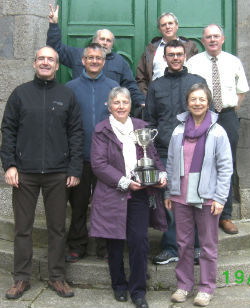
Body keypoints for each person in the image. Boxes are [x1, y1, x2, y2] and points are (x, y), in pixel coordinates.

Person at [0, 46, 84, 299]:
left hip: (59, 173)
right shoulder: (20, 94)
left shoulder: (67, 95)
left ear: (58, 66)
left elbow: (76, 134)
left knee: (58, 228)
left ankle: (57, 277)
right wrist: (10, 165)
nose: (46, 62)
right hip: (24, 174)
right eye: (42, 59)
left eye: (51, 59)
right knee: (23, 229)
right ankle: (21, 278)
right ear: (34, 63)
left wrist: (74, 168)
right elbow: (9, 131)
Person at [90, 87, 167, 308]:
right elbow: (98, 164)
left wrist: (160, 174)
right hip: (113, 193)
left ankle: (138, 290)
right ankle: (119, 285)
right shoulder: (101, 130)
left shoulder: (141, 127)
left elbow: (152, 156)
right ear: (109, 106)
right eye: (116, 102)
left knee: (139, 242)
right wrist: (124, 182)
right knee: (114, 242)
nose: (121, 106)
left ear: (130, 105)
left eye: (125, 102)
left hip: (140, 194)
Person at [165, 83, 233, 307]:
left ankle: (206, 288)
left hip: (207, 197)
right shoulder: (178, 130)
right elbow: (172, 162)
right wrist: (169, 191)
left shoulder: (217, 131)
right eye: (193, 99)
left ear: (208, 102)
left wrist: (220, 198)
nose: (197, 103)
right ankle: (184, 285)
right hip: (181, 196)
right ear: (187, 102)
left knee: (207, 245)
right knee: (183, 243)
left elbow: (225, 167)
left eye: (201, 99)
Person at [145, 39, 207, 266]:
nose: (175, 58)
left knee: (195, 198)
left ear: (185, 56)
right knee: (169, 200)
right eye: (171, 54)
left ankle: (197, 247)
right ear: (164, 57)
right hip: (163, 151)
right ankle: (171, 247)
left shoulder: (197, 82)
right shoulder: (156, 86)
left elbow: (205, 114)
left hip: (193, 149)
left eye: (179, 54)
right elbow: (149, 121)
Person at [187, 24, 249, 235]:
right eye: (208, 37)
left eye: (216, 36)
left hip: (227, 116)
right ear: (202, 41)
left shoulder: (233, 61)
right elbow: (188, 92)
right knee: (199, 160)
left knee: (227, 163)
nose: (212, 39)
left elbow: (241, 91)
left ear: (222, 39)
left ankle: (226, 215)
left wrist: (228, 110)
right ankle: (199, 212)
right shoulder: (193, 62)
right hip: (201, 116)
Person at [64, 42, 118, 262]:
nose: (94, 61)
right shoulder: (70, 88)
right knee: (78, 205)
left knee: (105, 204)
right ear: (83, 61)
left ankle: (104, 246)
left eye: (99, 58)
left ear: (104, 61)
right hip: (80, 158)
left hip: (107, 160)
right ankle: (77, 244)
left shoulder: (114, 87)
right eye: (90, 58)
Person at [46, 4, 145, 110]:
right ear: (95, 40)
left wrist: (141, 101)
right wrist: (54, 25)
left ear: (112, 44)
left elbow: (130, 84)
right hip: (81, 109)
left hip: (108, 112)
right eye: (102, 39)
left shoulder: (120, 62)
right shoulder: (78, 55)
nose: (105, 43)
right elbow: (55, 49)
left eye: (108, 40)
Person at [136, 12, 198, 96]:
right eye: (163, 25)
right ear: (159, 29)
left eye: (170, 23)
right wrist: (147, 97)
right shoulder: (151, 49)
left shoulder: (190, 47)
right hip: (158, 97)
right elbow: (141, 77)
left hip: (185, 97)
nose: (167, 27)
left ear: (177, 26)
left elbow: (197, 73)